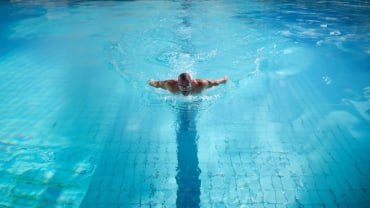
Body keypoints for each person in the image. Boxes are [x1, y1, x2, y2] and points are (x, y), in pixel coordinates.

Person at [149, 72, 228, 96]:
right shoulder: (170, 85)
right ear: (177, 84)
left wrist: (224, 79)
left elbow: (215, 82)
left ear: (191, 83)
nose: (184, 88)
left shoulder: (201, 85)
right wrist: (150, 81)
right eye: (181, 86)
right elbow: (156, 84)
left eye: (187, 85)